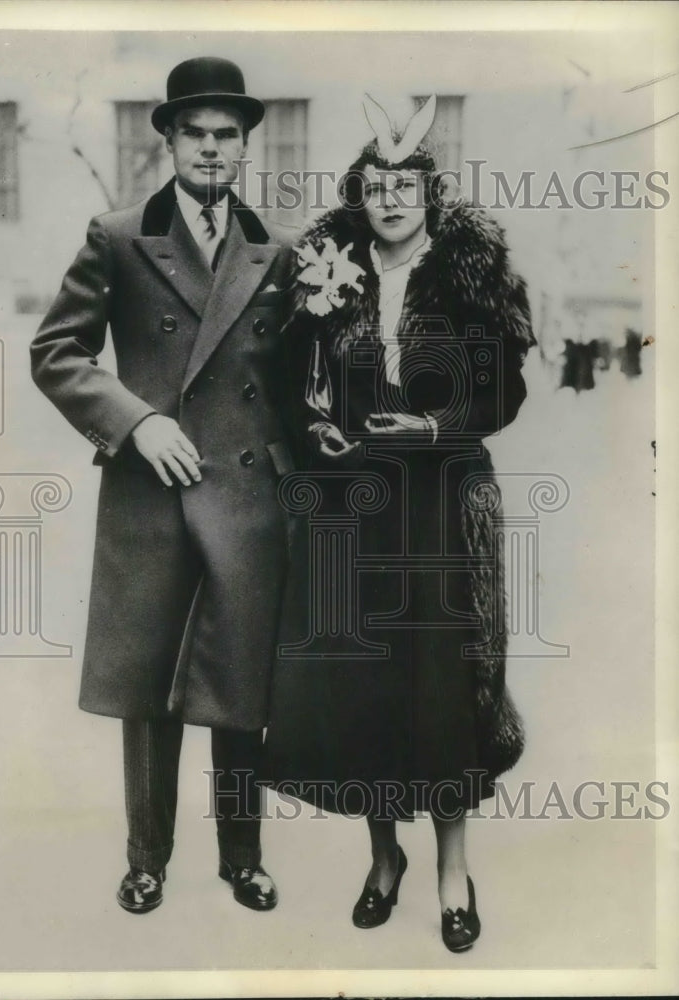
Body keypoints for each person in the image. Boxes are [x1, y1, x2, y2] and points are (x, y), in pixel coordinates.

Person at [266, 97, 534, 952]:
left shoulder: (467, 272)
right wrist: (317, 434)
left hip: (439, 503)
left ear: (427, 194)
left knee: (443, 685)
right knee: (365, 686)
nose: (388, 200)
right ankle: (384, 861)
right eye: (374, 187)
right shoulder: (323, 271)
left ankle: (452, 869)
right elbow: (287, 381)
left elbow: (504, 391)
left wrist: (433, 426)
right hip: (353, 503)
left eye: (403, 187)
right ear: (359, 195)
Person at [31, 57, 297, 915]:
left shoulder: (281, 250)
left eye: (228, 136)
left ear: (245, 147)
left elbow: (299, 377)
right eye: (197, 134)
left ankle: (242, 858)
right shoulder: (117, 235)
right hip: (151, 493)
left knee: (238, 691)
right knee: (150, 690)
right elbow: (57, 351)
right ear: (170, 142)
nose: (212, 150)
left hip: (248, 501)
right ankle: (147, 858)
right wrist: (137, 420)